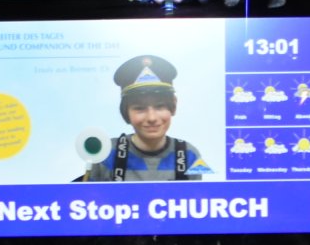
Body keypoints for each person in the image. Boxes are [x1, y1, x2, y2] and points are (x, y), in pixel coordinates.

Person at [75, 54, 214, 181]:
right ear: (125, 111)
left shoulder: (189, 154)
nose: (152, 118)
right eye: (139, 108)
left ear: (174, 105)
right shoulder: (106, 153)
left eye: (160, 106)